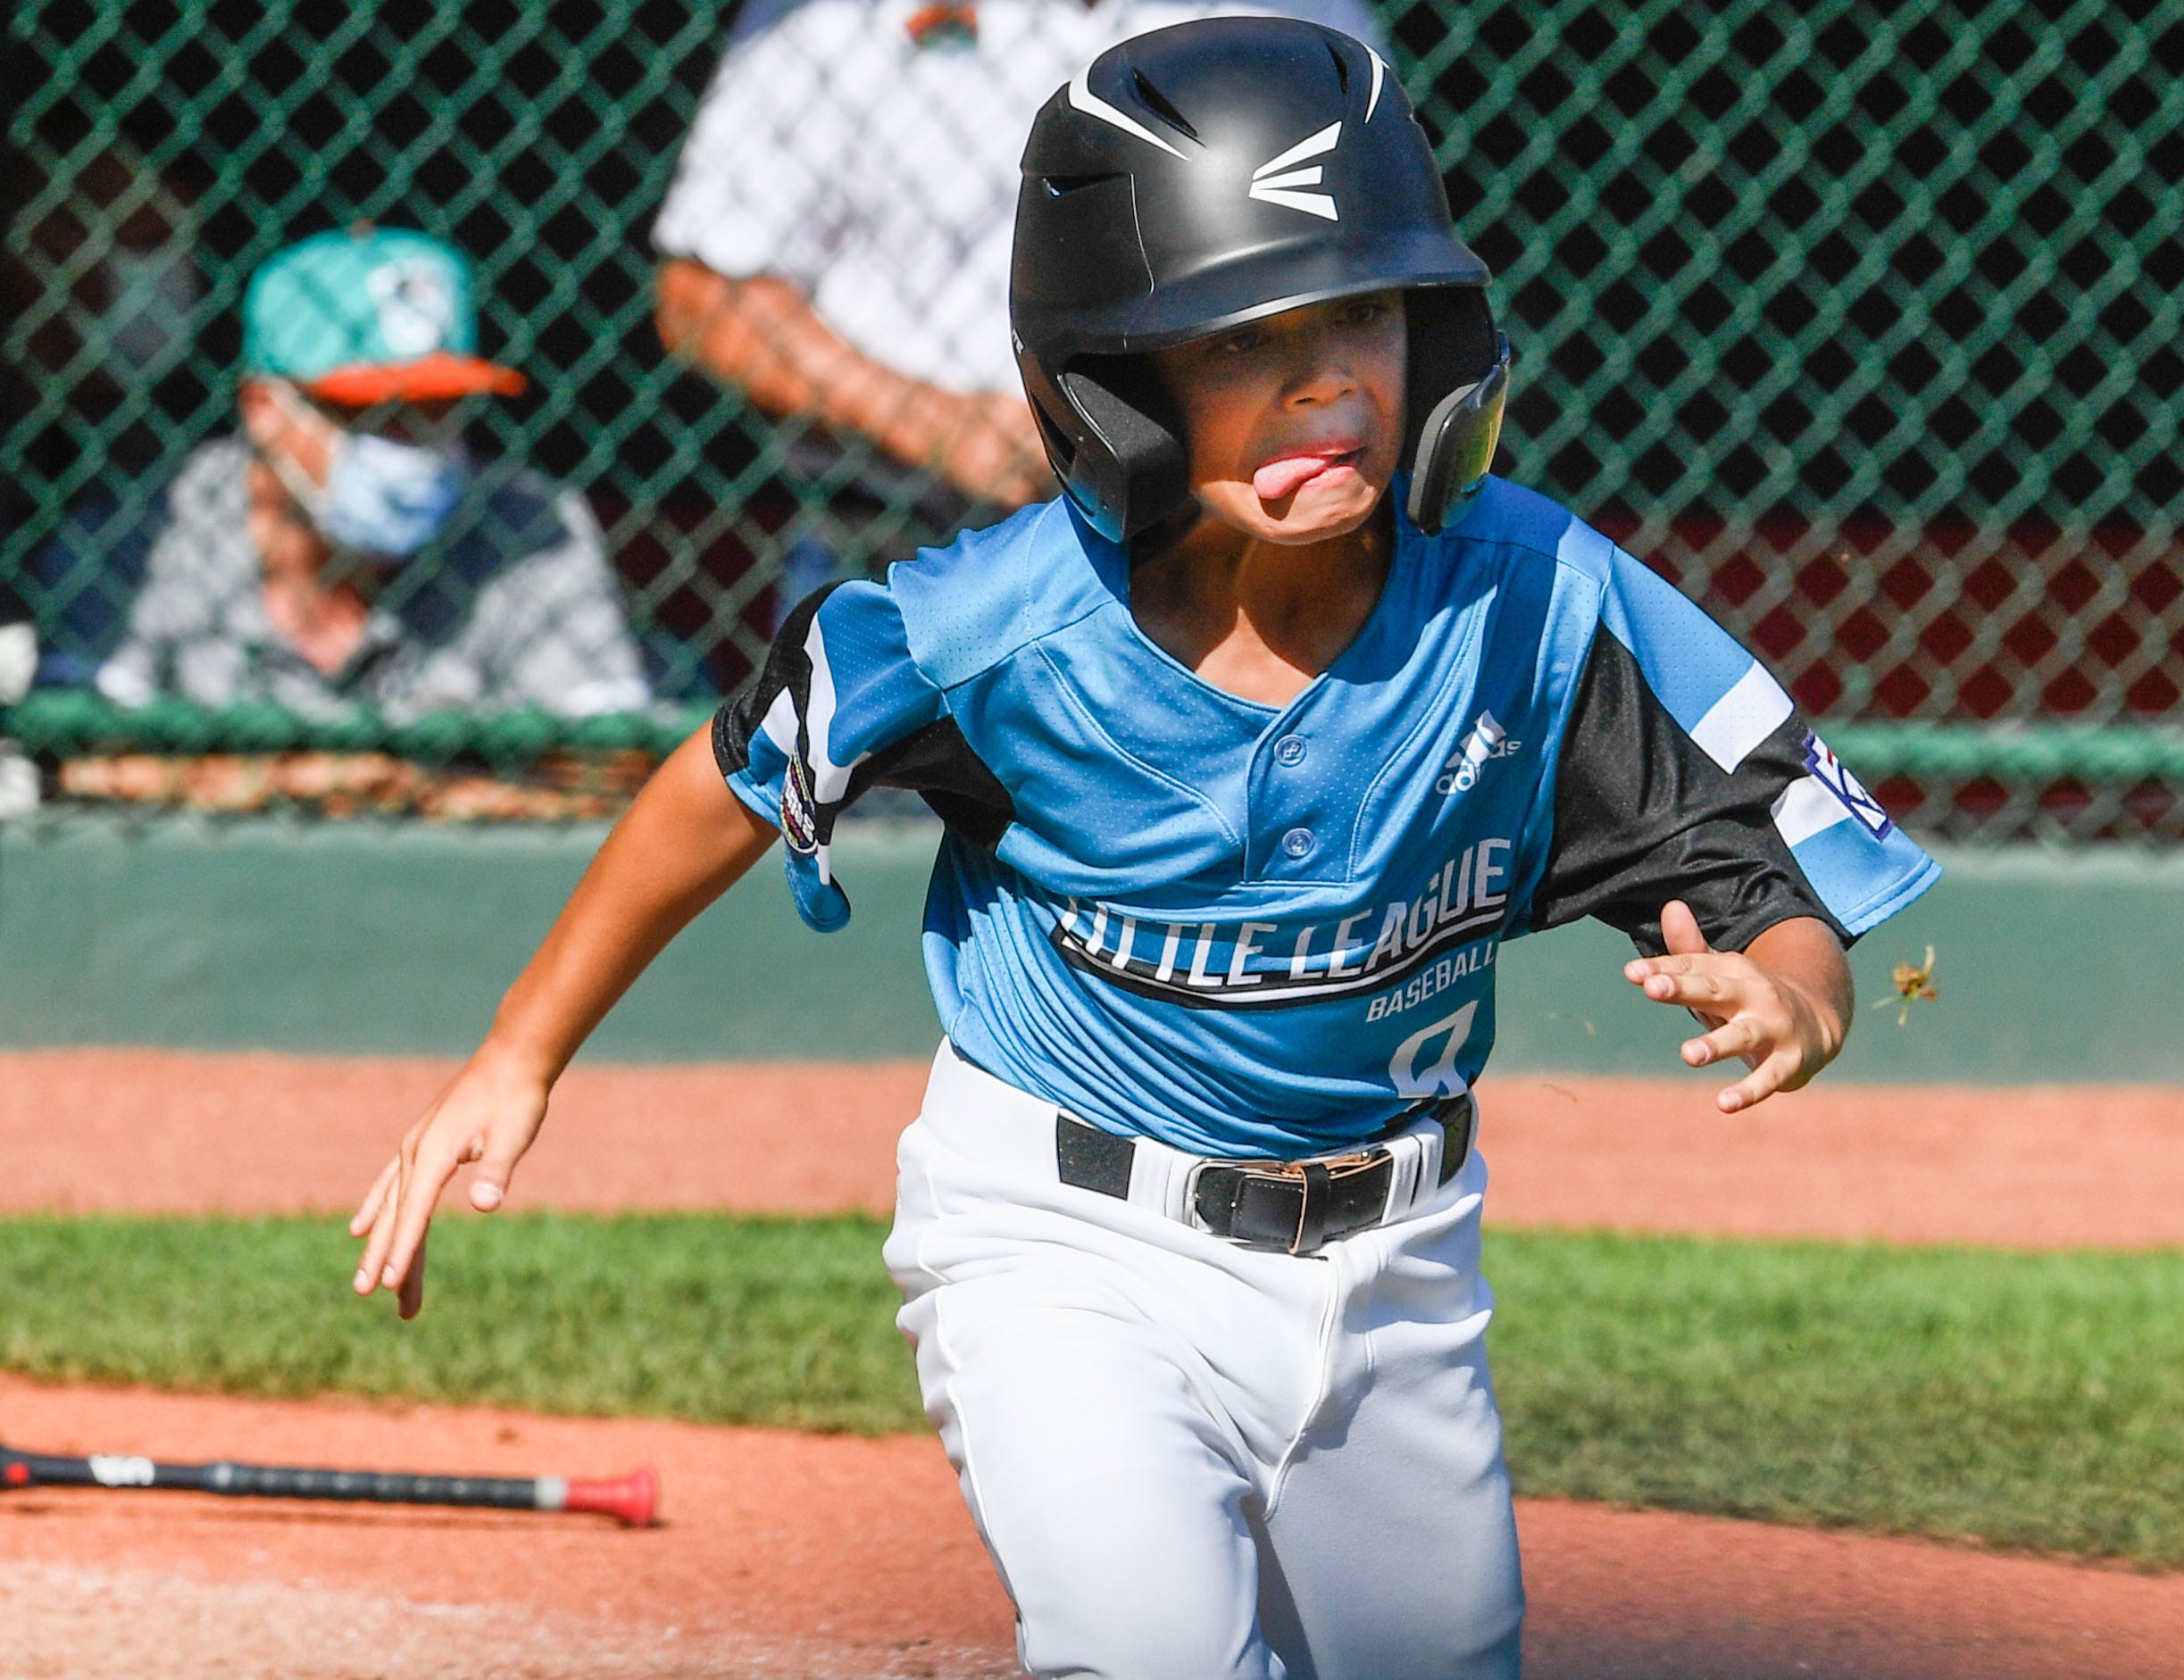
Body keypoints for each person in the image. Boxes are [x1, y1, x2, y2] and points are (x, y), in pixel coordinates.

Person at [354, 21, 1938, 1677]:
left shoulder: (1529, 603)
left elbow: (1767, 877)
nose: (1325, 376)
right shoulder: (994, 630)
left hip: (1397, 1269)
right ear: (1115, 383)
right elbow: (729, 776)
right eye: (1247, 337)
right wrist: (516, 1056)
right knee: (1156, 1651)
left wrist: (1801, 998)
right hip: (1065, 1239)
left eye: (1362, 314)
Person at [652, 0, 1380, 605]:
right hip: (910, 539)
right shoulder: (825, 18)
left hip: (1221, 524)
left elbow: (1371, 265)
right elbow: (707, 296)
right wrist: (942, 425)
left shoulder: (1297, 14)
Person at [96, 227, 651, 722]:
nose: (412, 450)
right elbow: (76, 764)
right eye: (373, 414)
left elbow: (609, 768)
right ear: (265, 408)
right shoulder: (153, 528)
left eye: (436, 410)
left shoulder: (532, 526)